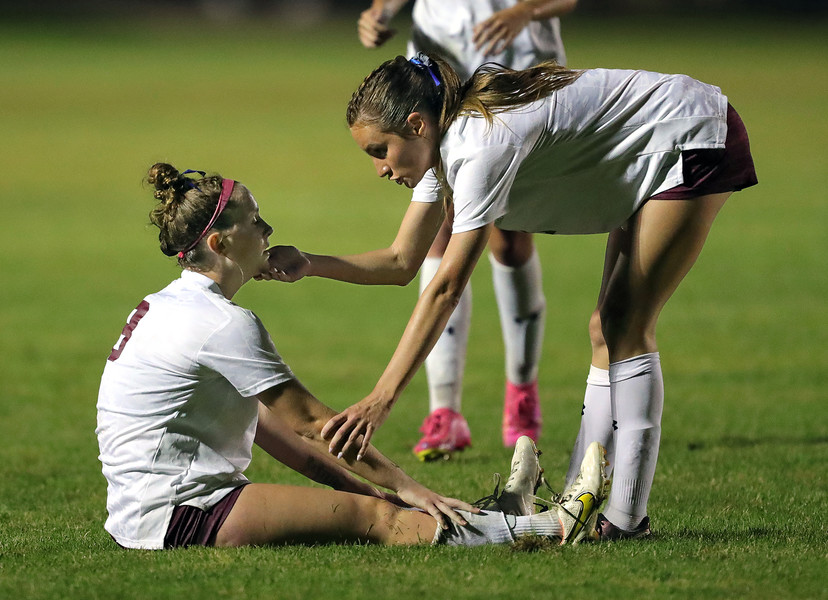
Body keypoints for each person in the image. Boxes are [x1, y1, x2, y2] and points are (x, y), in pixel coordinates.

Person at [262, 53, 757, 540]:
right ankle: (577, 504)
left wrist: (381, 398)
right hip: (655, 144)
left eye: (378, 151)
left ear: (416, 125)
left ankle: (627, 521)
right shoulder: (441, 145)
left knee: (627, 326)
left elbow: (447, 287)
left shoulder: (479, 144)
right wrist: (310, 263)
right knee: (607, 327)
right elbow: (401, 263)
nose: (379, 170)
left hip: (691, 138)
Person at [95, 163, 609, 550]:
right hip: (181, 513)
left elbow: (270, 427)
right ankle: (557, 526)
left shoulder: (171, 305)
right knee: (382, 524)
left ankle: (506, 517)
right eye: (255, 221)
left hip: (144, 508)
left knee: (372, 506)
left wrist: (364, 488)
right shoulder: (222, 323)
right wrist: (406, 489)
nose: (268, 229)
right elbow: (314, 425)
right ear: (220, 241)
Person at [357, 0, 579, 459]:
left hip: (514, 67)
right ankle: (444, 412)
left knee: (511, 236)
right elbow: (402, 259)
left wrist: (525, 12)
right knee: (439, 228)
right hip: (437, 70)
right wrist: (380, 10)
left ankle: (521, 387)